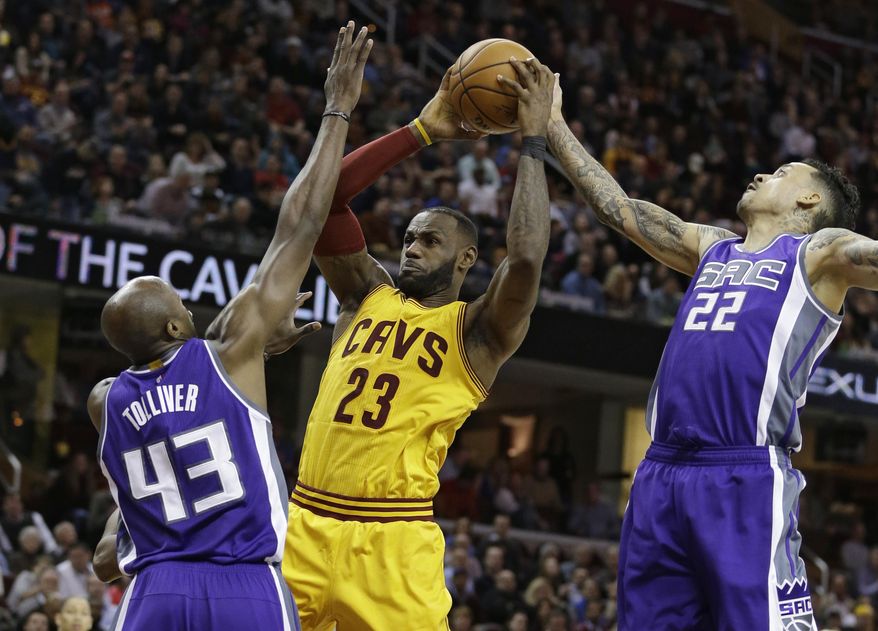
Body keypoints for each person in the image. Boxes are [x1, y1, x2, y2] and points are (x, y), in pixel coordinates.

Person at [549, 76, 865, 629]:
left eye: (783, 172)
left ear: (810, 199)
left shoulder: (819, 254)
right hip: (659, 472)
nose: (765, 173)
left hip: (744, 476)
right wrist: (551, 126)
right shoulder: (710, 247)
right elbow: (618, 208)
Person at [85, 23, 372, 630]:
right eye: (180, 305)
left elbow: (186, 370)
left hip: (156, 589)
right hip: (245, 583)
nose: (191, 309)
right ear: (171, 328)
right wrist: (338, 108)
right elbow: (299, 227)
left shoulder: (104, 401)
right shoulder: (230, 352)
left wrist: (251, 354)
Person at [283, 57, 555, 630]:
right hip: (303, 523)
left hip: (393, 540)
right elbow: (324, 198)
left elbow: (526, 257)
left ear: (465, 259)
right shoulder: (364, 295)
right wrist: (421, 131)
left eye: (429, 241)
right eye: (408, 238)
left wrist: (532, 141)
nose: (411, 247)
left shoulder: (478, 332)